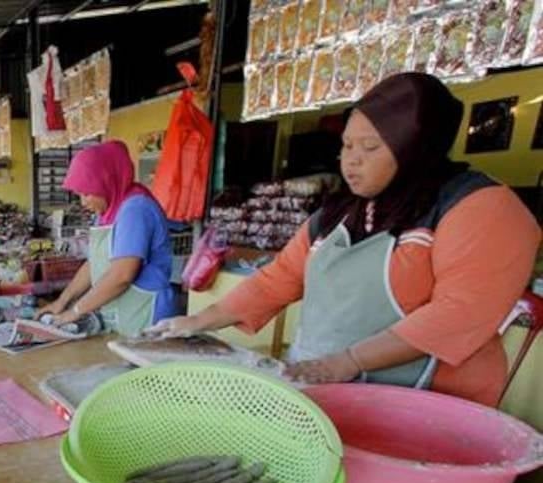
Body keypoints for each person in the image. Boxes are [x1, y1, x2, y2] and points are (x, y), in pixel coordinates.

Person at [151, 72, 540, 407]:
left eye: (369, 147)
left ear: (415, 146)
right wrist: (198, 320)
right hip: (325, 386)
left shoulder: (478, 206)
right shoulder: (337, 213)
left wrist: (351, 360)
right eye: (346, 146)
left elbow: (460, 313)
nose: (351, 160)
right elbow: (278, 279)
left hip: (423, 406)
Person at [40, 140, 178, 336]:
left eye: (87, 193)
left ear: (106, 181)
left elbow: (122, 276)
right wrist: (62, 301)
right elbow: (93, 264)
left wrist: (75, 311)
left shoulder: (135, 210)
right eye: (79, 194)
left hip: (146, 316)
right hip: (123, 316)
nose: (83, 202)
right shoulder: (107, 210)